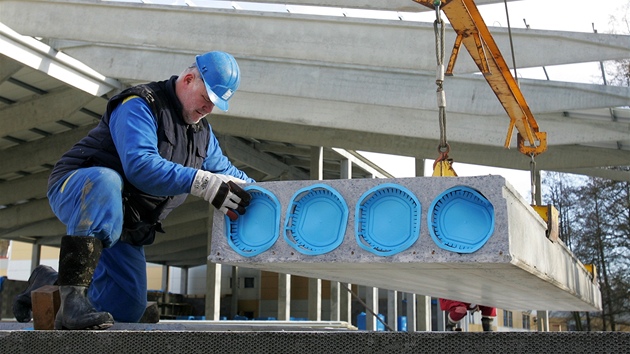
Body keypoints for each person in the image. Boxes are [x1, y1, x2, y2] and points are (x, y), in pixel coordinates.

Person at [12, 51, 254, 330]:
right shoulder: (140, 104)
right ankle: (72, 301)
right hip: (80, 188)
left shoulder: (202, 134)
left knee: (127, 307)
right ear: (189, 79)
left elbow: (228, 173)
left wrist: (266, 194)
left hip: (128, 219)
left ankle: (48, 282)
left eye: (216, 104)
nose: (208, 108)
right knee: (106, 180)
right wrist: (203, 183)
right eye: (207, 98)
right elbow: (140, 165)